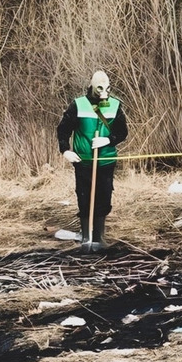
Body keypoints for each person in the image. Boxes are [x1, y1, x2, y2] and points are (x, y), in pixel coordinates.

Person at [57, 70, 128, 252]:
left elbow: (122, 132)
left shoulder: (115, 105)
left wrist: (108, 140)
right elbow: (63, 129)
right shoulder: (78, 105)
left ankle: (98, 237)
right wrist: (65, 150)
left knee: (103, 198)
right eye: (100, 88)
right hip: (83, 162)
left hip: (106, 161)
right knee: (84, 197)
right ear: (92, 87)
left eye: (106, 88)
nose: (103, 92)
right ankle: (86, 236)